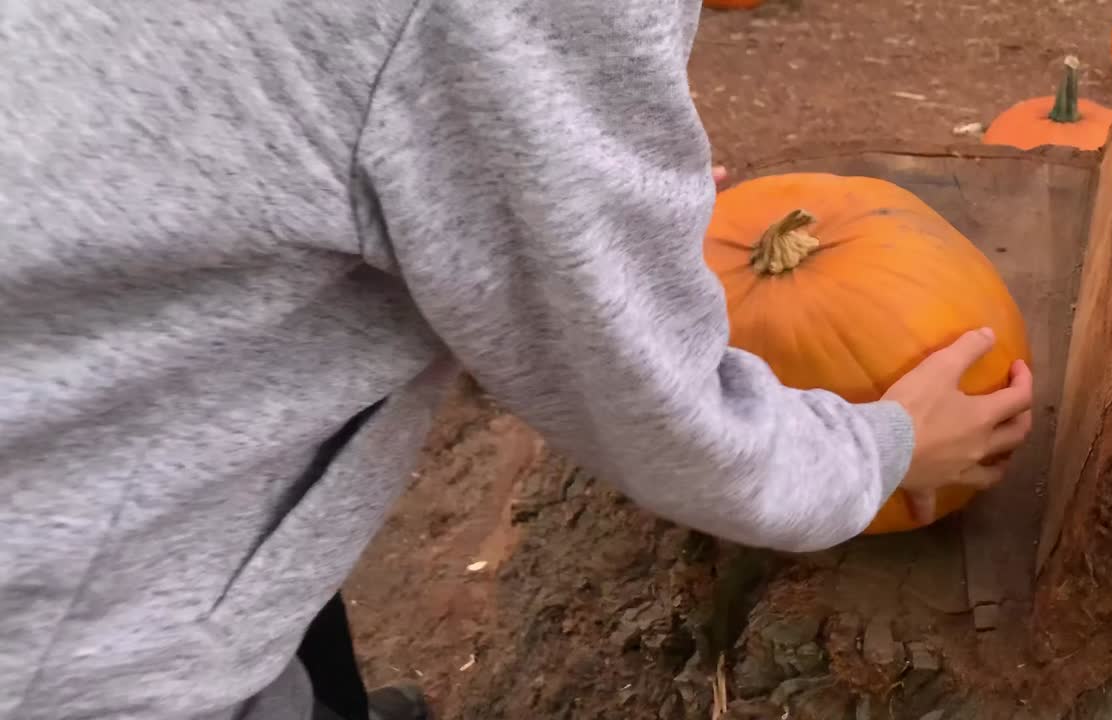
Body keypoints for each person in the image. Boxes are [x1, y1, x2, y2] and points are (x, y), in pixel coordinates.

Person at [0, 2, 1033, 719]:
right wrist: (884, 450)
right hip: (65, 635)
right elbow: (662, 417)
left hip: (114, 415)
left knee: (289, 632)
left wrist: (550, 208)